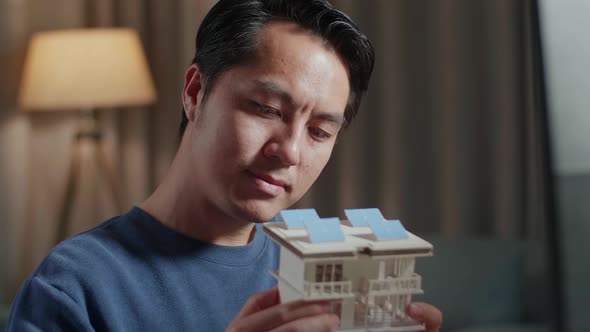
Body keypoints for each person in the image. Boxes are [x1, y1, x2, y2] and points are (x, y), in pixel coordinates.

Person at [8, 0, 443, 331]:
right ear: (196, 93)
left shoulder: (320, 274)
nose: (290, 151)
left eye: (318, 132)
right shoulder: (74, 287)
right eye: (266, 108)